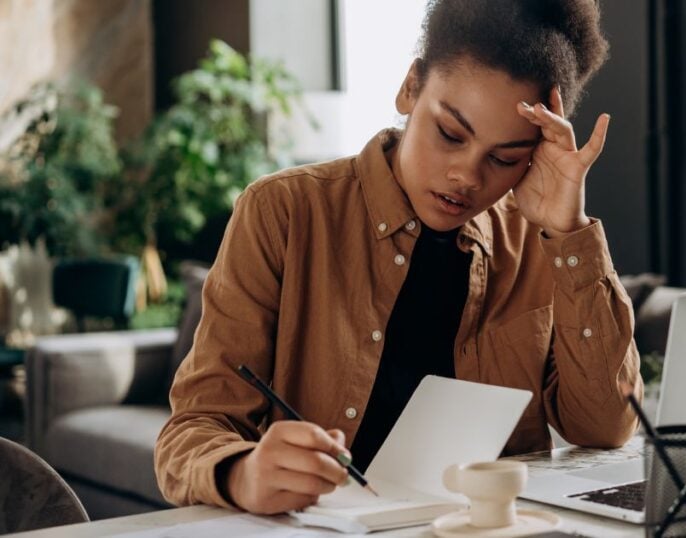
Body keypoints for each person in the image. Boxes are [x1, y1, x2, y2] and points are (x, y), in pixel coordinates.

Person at [155, 0, 642, 515]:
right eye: (451, 134)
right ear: (411, 87)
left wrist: (569, 234)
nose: (468, 176)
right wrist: (242, 472)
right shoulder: (286, 212)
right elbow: (194, 427)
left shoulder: (538, 240)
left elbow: (604, 427)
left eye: (505, 158)